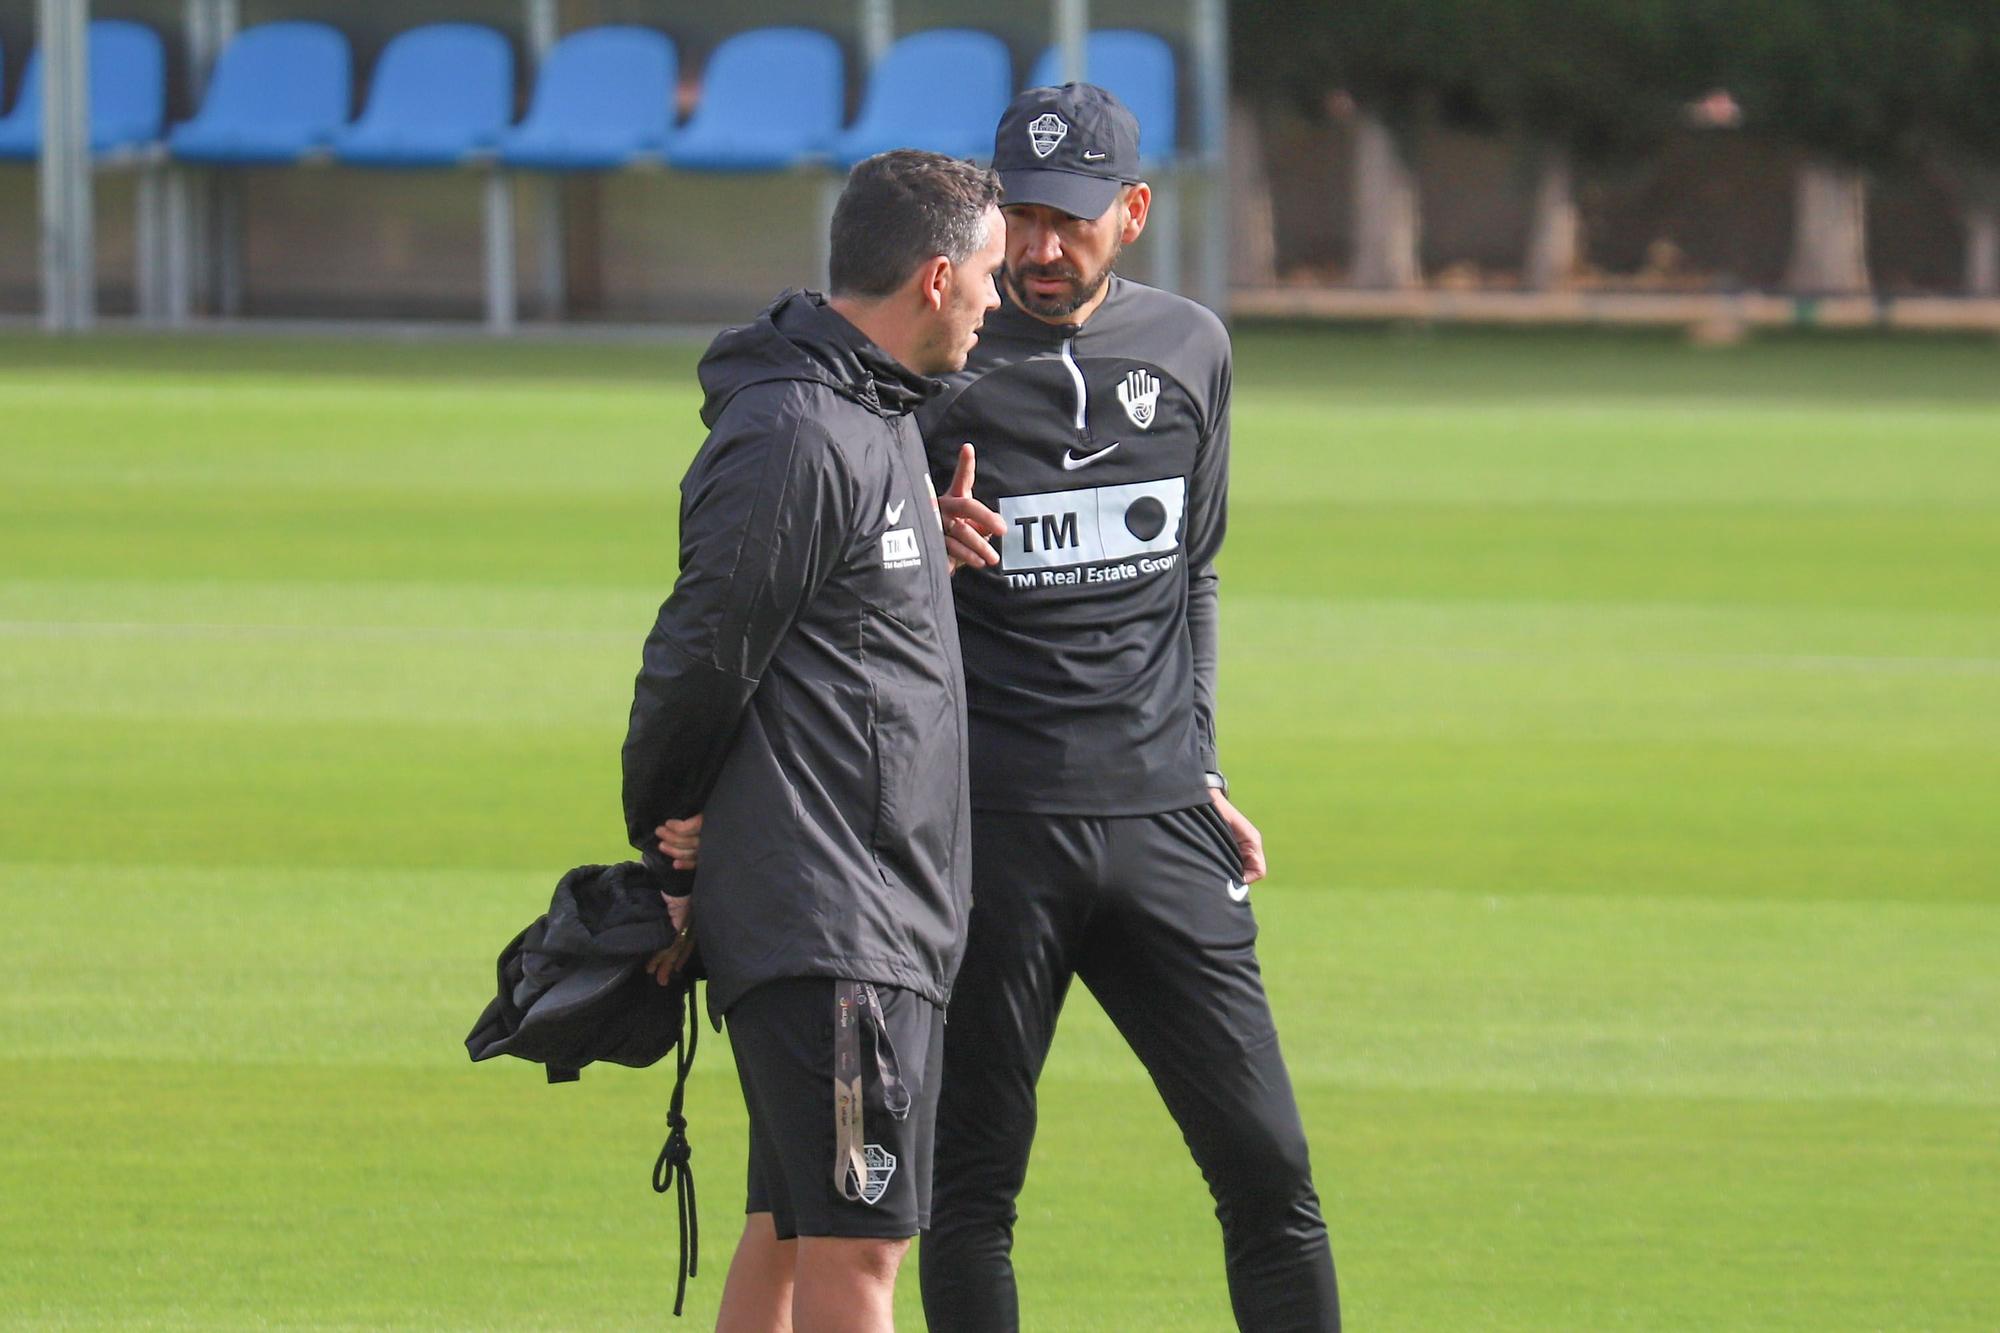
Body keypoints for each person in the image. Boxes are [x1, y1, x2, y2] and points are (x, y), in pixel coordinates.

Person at [917, 84, 1343, 1331]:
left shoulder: (1193, 346)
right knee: (971, 1195)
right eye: (1025, 217)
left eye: (1076, 219)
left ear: (1135, 213)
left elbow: (1191, 573)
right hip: (993, 833)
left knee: (1270, 1176)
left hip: (1163, 825)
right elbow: (843, 586)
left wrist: (1201, 763)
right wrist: (907, 538)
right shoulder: (930, 363)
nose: (1046, 249)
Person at [620, 148, 1004, 1333]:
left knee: (785, 1237)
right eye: (987, 274)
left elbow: (810, 611)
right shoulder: (800, 428)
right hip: (837, 920)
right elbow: (702, 648)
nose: (997, 301)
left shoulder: (872, 411)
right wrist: (669, 828)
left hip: (857, 908)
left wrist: (903, 551)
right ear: (935, 278)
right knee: (857, 1262)